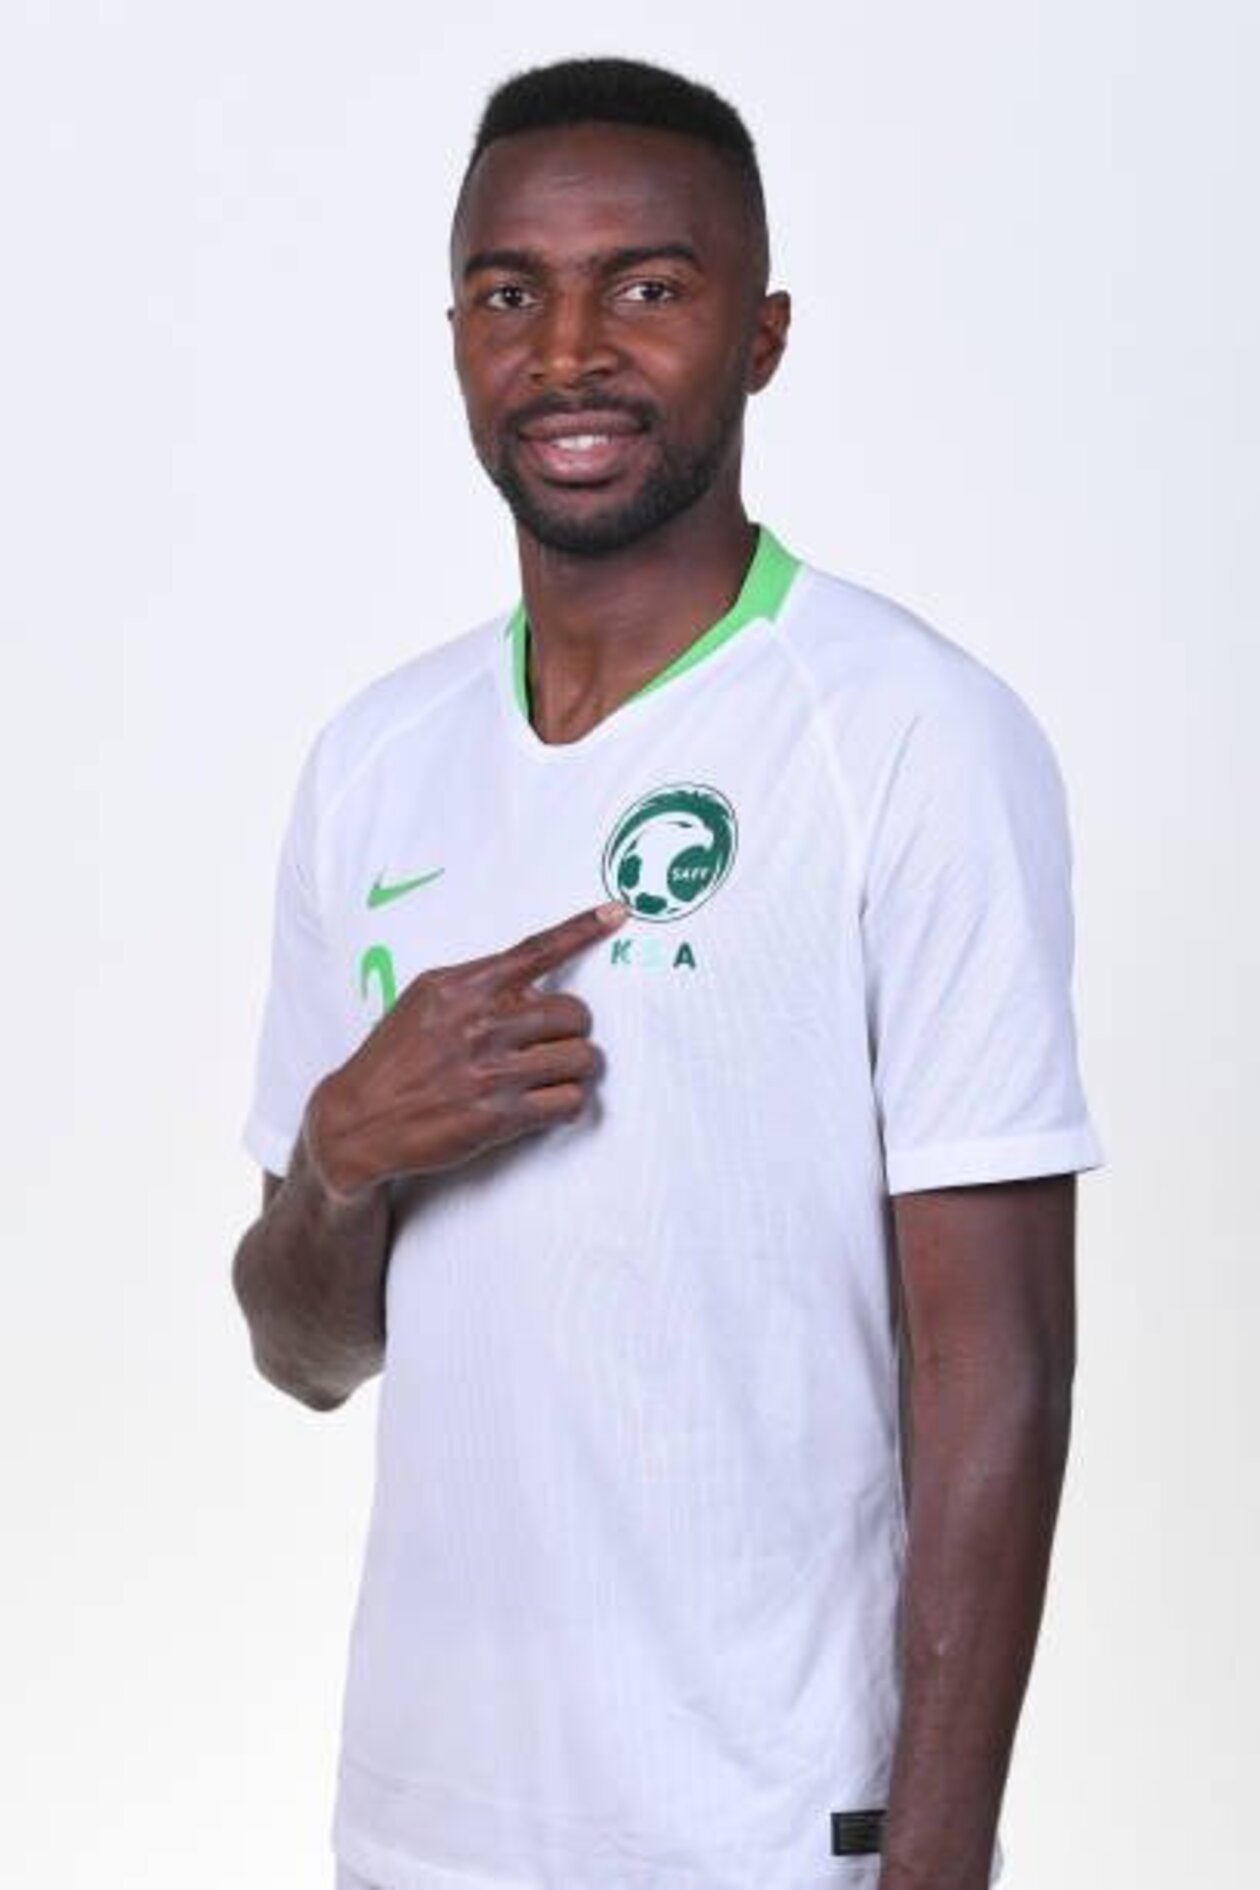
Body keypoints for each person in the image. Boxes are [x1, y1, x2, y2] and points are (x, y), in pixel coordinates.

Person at [233, 55, 1104, 1890]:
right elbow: (304, 1350)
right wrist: (341, 1149)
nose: (568, 352)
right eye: (509, 293)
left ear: (763, 335)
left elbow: (1001, 1370)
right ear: (455, 338)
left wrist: (936, 1862)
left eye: (646, 285)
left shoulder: (908, 738)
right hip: (420, 1827)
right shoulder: (374, 761)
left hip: (767, 1829)